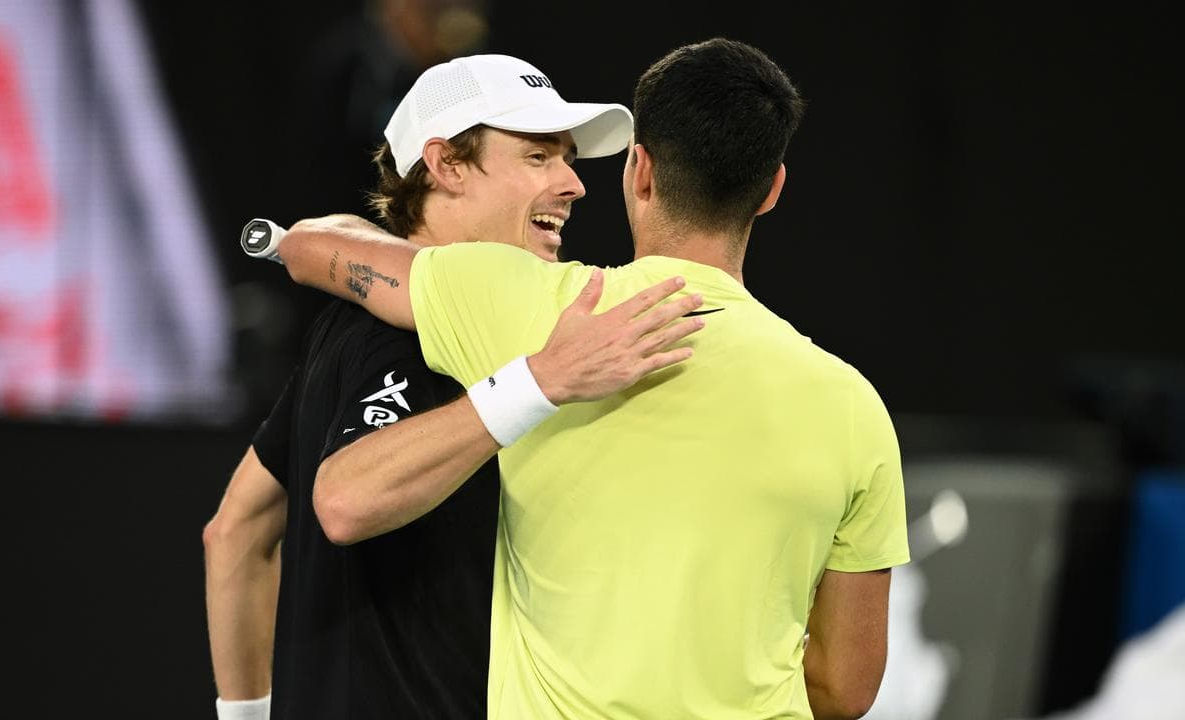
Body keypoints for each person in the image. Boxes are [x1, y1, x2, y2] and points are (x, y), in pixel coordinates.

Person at [257, 39, 909, 720]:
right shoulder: (854, 407)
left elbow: (317, 251)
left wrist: (281, 240)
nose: (570, 182)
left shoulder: (522, 305)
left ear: (640, 171)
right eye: (539, 156)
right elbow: (844, 686)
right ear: (771, 190)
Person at [204, 53, 703, 720]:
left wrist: (245, 717)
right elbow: (345, 500)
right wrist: (540, 381)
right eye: (538, 156)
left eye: (567, 158)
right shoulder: (412, 340)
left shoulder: (346, 329)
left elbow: (234, 533)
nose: (573, 184)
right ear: (446, 165)